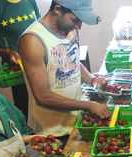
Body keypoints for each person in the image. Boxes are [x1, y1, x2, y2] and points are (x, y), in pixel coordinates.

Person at [18, 0, 107, 142]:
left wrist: (91, 78)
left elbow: (72, 60)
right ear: (58, 9)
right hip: (51, 132)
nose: (79, 26)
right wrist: (88, 105)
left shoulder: (69, 30)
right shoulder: (33, 40)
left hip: (75, 122)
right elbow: (43, 96)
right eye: (75, 20)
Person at [0, 0, 41, 117]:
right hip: (18, 69)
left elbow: (39, 26)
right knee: (26, 110)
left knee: (43, 106)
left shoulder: (30, 1)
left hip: (39, 62)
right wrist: (5, 52)